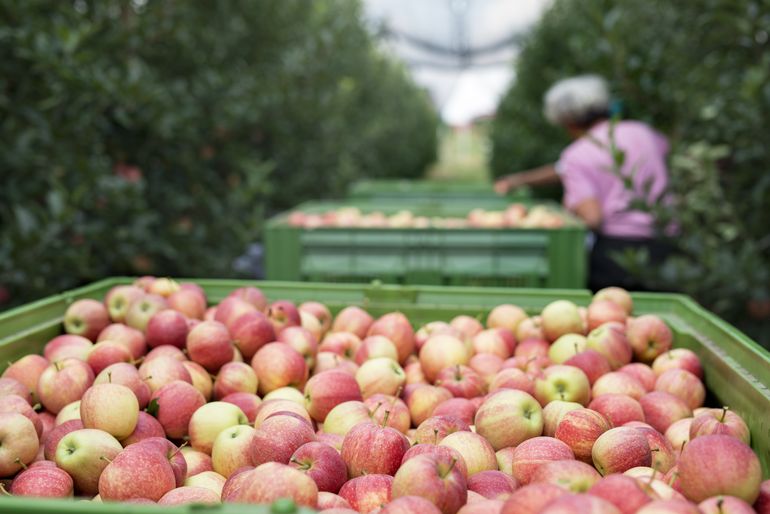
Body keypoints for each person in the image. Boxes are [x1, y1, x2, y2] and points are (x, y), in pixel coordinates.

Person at [495, 75, 671, 291]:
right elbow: (566, 169)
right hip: (667, 245)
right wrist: (519, 180)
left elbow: (592, 217)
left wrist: (568, 209)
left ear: (568, 121)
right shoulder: (644, 133)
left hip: (617, 256)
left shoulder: (578, 154)